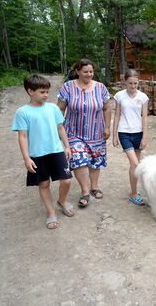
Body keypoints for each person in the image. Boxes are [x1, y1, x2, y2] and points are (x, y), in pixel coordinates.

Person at [11, 74, 74, 229]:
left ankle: (62, 201)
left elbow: (61, 128)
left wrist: (67, 146)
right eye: (42, 92)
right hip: (37, 154)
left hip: (56, 150)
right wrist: (26, 158)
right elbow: (23, 136)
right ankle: (51, 212)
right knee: (44, 183)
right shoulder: (22, 112)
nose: (46, 95)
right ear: (30, 91)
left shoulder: (53, 108)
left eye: (47, 91)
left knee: (66, 180)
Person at [57, 59, 112, 207]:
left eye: (91, 71)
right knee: (78, 158)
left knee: (95, 160)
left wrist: (107, 127)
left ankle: (94, 186)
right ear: (78, 72)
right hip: (74, 132)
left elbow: (107, 108)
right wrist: (59, 125)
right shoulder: (68, 87)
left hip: (96, 132)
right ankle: (85, 191)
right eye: (86, 71)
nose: (89, 74)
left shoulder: (100, 88)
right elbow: (60, 108)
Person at [112, 69, 149, 205]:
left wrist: (145, 137)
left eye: (135, 83)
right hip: (124, 133)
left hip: (138, 133)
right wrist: (114, 135)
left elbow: (144, 117)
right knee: (135, 163)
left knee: (134, 166)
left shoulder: (143, 97)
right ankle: (134, 194)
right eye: (130, 83)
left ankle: (133, 191)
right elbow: (116, 116)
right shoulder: (119, 96)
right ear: (125, 82)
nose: (133, 86)